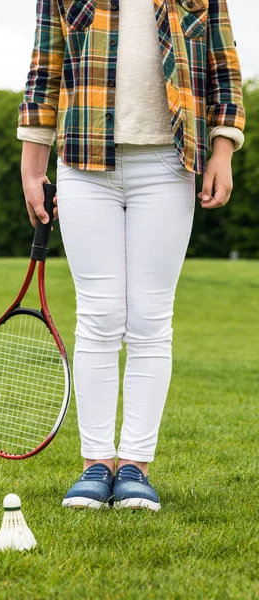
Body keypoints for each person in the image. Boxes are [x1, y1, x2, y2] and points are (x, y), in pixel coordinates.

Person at [17, 0, 245, 511]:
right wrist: (33, 168)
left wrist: (223, 150)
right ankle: (96, 465)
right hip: (83, 163)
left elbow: (224, 67)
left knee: (149, 317)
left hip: (169, 162)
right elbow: (44, 67)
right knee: (99, 314)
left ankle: (136, 468)